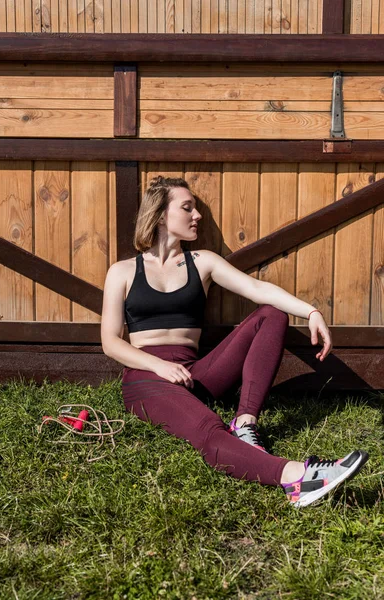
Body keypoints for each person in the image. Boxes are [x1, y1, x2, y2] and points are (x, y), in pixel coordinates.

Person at [101, 175, 368, 508]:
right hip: (146, 377)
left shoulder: (203, 262)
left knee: (272, 314)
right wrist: (160, 366)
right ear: (159, 214)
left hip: (194, 372)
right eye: (187, 208)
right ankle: (298, 478)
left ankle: (245, 424)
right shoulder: (123, 271)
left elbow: (257, 290)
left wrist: (311, 312)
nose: (196, 215)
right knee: (208, 429)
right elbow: (111, 342)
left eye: (195, 208)